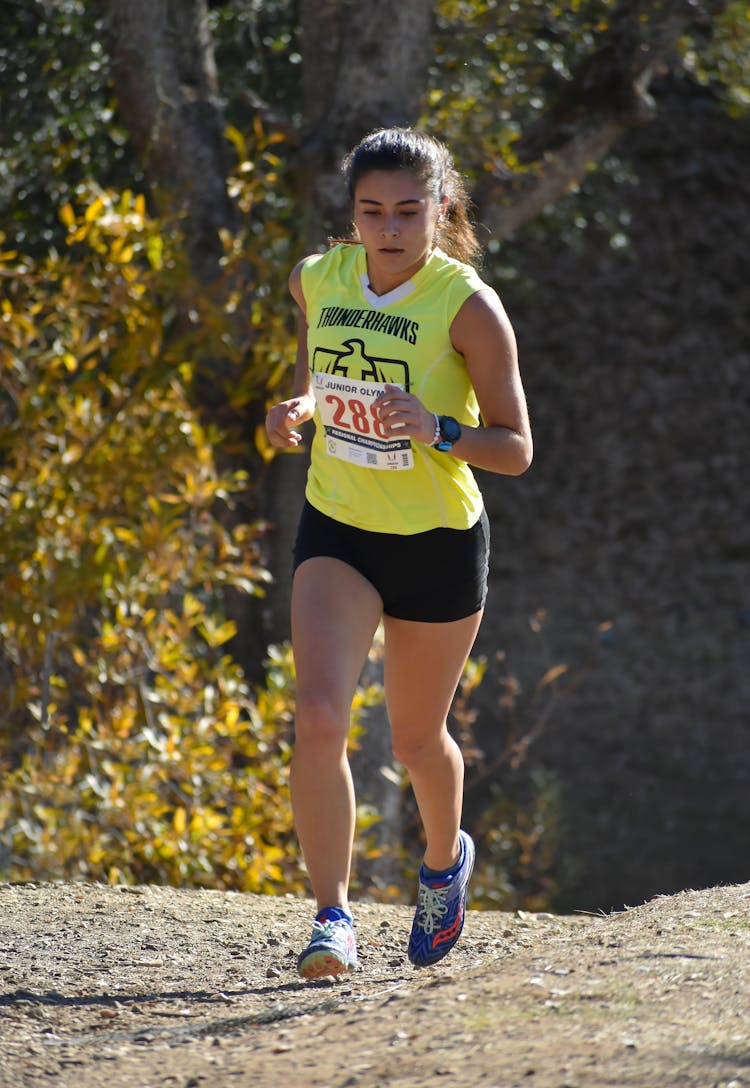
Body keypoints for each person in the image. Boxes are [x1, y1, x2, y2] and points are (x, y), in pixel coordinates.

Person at [265, 127, 532, 980]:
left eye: (408, 212)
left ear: (439, 211)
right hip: (339, 525)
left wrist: (440, 429)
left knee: (417, 743)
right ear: (351, 213)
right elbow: (314, 372)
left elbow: (516, 446)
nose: (388, 228)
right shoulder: (318, 279)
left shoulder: (468, 305)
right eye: (371, 211)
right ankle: (332, 916)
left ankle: (443, 865)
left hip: (437, 543)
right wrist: (294, 408)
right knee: (318, 716)